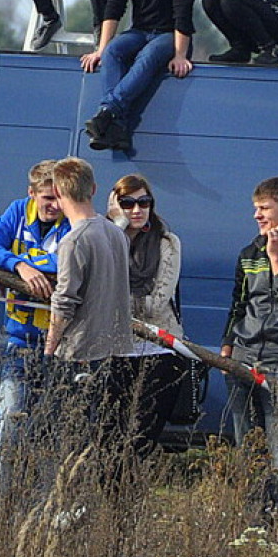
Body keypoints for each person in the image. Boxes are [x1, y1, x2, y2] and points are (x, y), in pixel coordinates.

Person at [0, 160, 70, 492]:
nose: (54, 206)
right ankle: (5, 498)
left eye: (59, 198)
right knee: (10, 424)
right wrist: (19, 266)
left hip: (62, 344)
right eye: (47, 199)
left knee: (52, 430)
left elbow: (70, 261)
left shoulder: (73, 218)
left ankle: (45, 502)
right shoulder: (17, 211)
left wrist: (35, 263)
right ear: (32, 194)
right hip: (20, 339)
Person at [43, 158, 132, 518]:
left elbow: (64, 300)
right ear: (93, 190)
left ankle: (69, 508)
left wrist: (51, 346)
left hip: (81, 351)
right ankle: (97, 508)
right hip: (117, 350)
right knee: (104, 436)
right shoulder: (114, 233)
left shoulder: (74, 239)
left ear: (61, 193)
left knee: (71, 438)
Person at [82, 0, 196, 152]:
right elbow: (114, 7)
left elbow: (183, 14)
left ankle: (107, 111)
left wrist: (179, 55)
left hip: (171, 35)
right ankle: (118, 126)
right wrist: (101, 49)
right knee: (113, 52)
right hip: (140, 30)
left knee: (148, 56)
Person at [221, 176, 278, 518]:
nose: (257, 216)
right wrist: (226, 347)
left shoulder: (275, 253)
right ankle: (253, 520)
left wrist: (277, 258)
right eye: (255, 209)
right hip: (242, 361)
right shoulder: (249, 252)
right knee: (247, 447)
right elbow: (238, 304)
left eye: (264, 208)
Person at [106, 174, 187, 458]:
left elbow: (155, 305)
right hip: (113, 350)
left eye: (144, 202)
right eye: (127, 203)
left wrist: (113, 303)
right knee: (108, 439)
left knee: (140, 440)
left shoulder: (167, 241)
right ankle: (106, 501)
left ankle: (127, 499)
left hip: (158, 350)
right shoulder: (105, 237)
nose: (137, 210)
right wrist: (118, 229)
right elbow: (99, 283)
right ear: (115, 205)